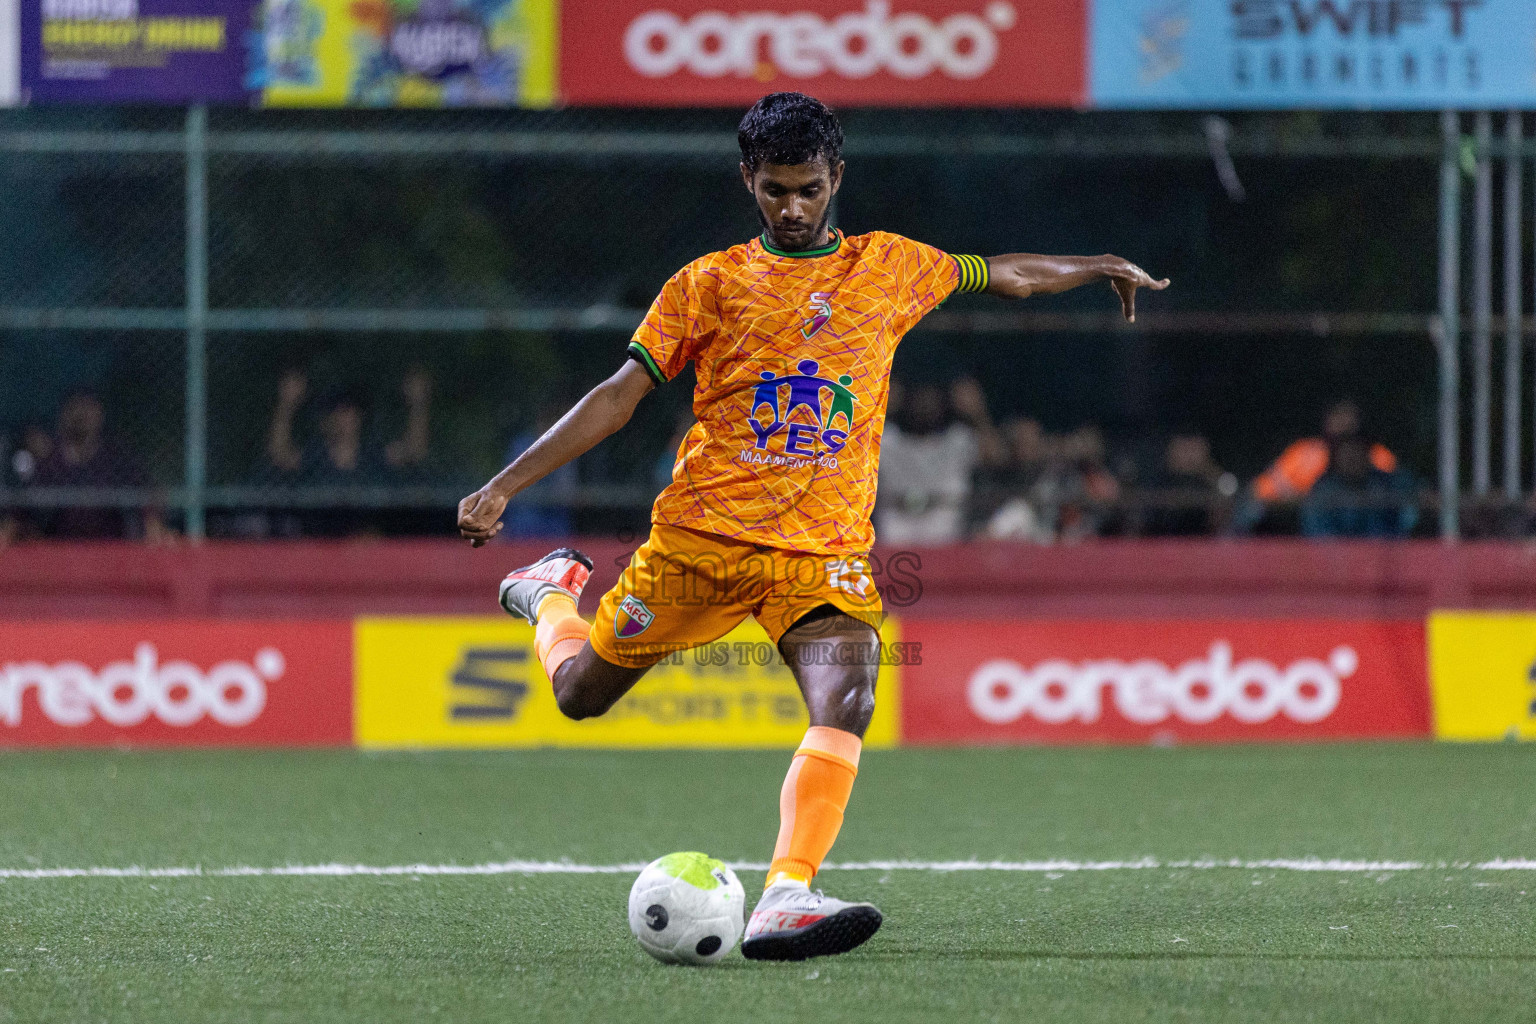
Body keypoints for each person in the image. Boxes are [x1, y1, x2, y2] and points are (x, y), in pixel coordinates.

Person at [455, 92, 1168, 960]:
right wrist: (503, 485)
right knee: (579, 698)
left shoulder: (892, 266)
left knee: (853, 696)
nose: (792, 208)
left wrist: (1097, 266)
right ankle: (549, 598)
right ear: (747, 181)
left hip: (821, 555)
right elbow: (618, 398)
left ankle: (787, 891)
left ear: (837, 178)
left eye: (808, 188)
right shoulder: (708, 284)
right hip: (702, 543)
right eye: (773, 190)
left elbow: (1004, 271)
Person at [265, 367, 433, 536]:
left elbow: (414, 450)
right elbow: (280, 454)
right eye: (335, 412)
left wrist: (418, 404)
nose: (343, 419)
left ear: (359, 417)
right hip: (320, 543)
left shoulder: (373, 454)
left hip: (368, 546)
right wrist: (286, 404)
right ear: (325, 421)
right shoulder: (315, 457)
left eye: (348, 412)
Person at [18, 392, 168, 542]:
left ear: (99, 415)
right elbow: (21, 507)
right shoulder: (50, 462)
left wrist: (154, 529)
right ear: (63, 415)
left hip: (109, 548)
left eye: (87, 408)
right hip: (59, 549)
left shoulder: (115, 458)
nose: (80, 415)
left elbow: (149, 493)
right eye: (74, 408)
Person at [876, 377, 1001, 545]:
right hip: (895, 518)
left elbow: (997, 457)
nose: (925, 406)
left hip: (946, 519)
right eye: (919, 400)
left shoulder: (959, 439)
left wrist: (977, 413)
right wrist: (878, 406)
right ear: (908, 401)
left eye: (931, 400)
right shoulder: (886, 439)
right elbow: (846, 460)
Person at [1238, 400, 1396, 533]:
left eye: (1349, 418)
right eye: (1338, 415)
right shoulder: (1303, 453)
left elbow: (1399, 500)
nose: (1343, 424)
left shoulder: (1379, 457)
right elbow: (1260, 492)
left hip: (1370, 538)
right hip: (1310, 537)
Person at [1300, 434, 1417, 538]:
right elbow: (1318, 537)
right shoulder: (1323, 490)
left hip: (1382, 556)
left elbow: (1404, 521)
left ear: (1367, 456)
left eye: (1357, 452)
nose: (1353, 459)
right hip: (1337, 558)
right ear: (1336, 458)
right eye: (1347, 455)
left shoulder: (1385, 483)